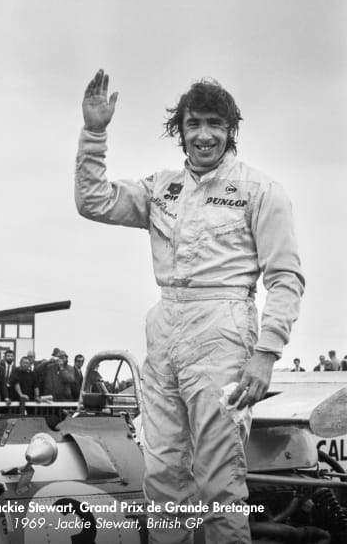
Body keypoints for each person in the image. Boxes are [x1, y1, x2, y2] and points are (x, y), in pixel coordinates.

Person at [75, 70, 305, 543]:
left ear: (230, 131)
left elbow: (286, 278)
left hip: (225, 332)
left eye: (215, 124)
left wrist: (266, 353)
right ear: (179, 131)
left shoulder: (260, 191)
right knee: (162, 482)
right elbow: (93, 201)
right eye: (194, 123)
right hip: (164, 332)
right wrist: (94, 132)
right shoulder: (161, 188)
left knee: (220, 482)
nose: (204, 135)